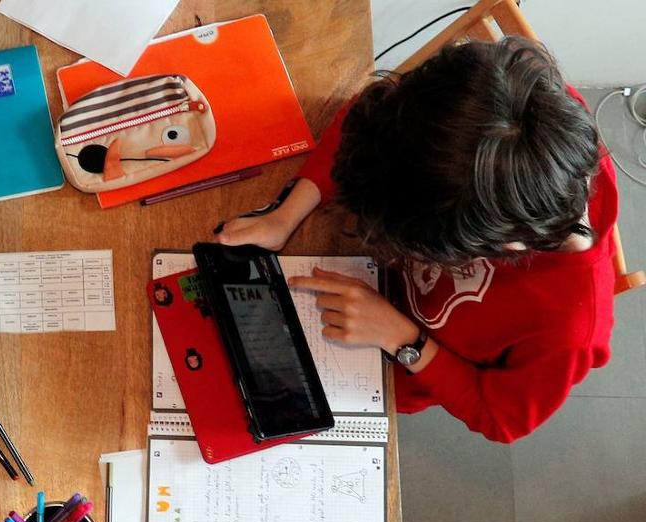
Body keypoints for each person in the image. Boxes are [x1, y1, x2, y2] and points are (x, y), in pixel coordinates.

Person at [218, 37, 617, 442]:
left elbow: (500, 419)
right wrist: (287, 213)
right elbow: (374, 119)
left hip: (389, 367)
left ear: (504, 247)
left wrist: (403, 339)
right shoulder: (518, 106)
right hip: (359, 282)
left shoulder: (570, 331)